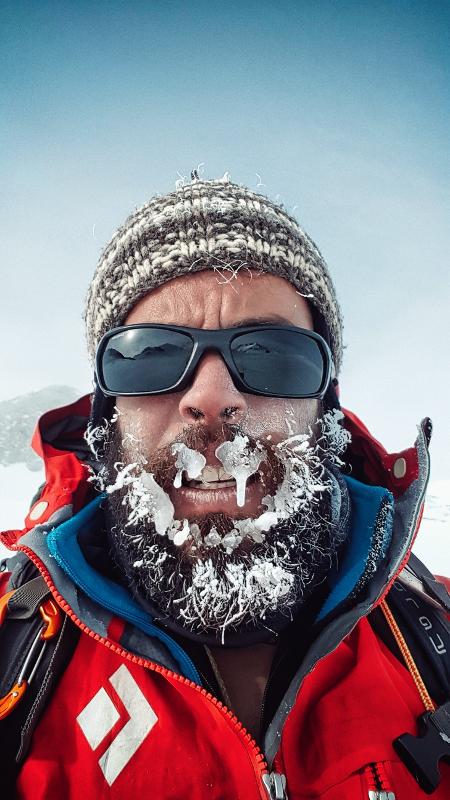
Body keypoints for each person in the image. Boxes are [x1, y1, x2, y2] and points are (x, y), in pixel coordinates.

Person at [1, 176, 449, 799]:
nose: (211, 400)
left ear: (326, 406)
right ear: (108, 412)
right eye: (151, 355)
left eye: (272, 355)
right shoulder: (11, 648)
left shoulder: (436, 628)